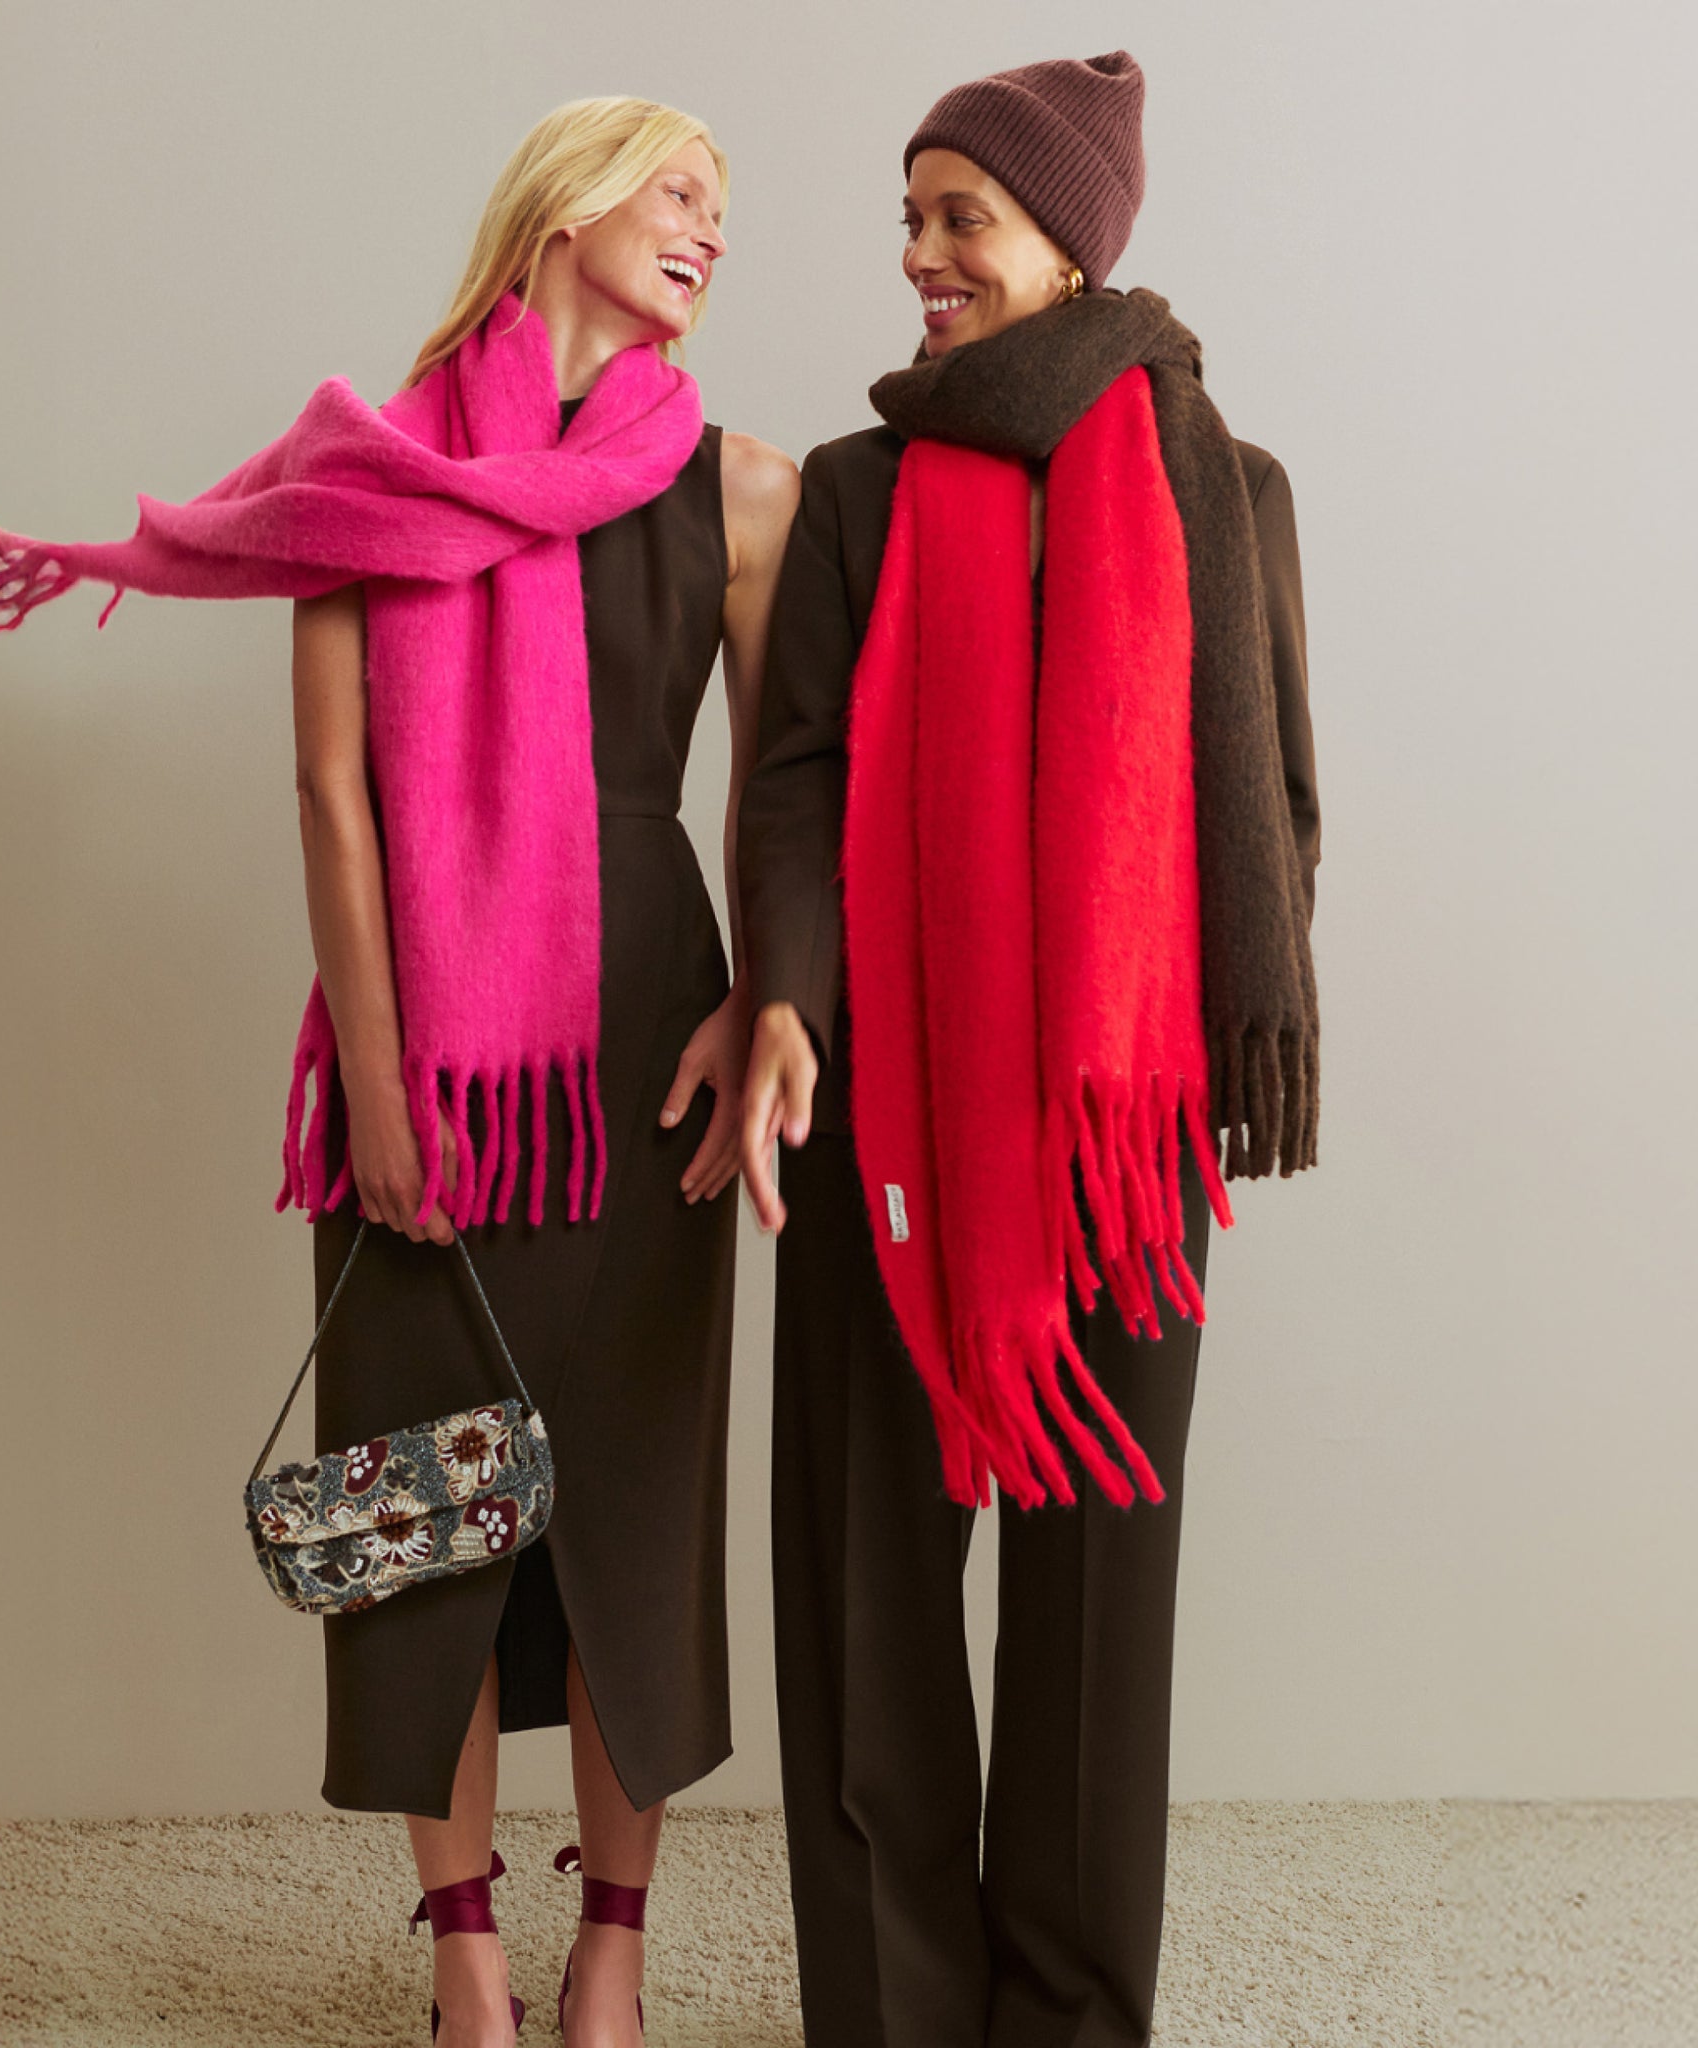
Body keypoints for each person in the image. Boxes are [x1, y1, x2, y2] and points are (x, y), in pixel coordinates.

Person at [0, 95, 797, 2048]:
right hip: (424, 1058)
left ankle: (613, 1949)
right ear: (567, 204)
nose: (709, 229)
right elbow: (333, 796)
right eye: (680, 189)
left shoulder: (743, 490)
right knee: (420, 1514)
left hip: (641, 1055)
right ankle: (463, 1953)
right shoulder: (372, 471)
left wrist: (755, 994)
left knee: (634, 1509)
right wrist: (392, 1092)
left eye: (722, 209)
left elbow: (772, 791)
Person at [737, 54, 1320, 2048]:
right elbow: (796, 781)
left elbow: (1277, 803)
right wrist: (790, 994)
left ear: (1068, 239)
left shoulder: (1226, 490)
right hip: (884, 1110)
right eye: (909, 217)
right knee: (867, 1590)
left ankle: (1068, 2017)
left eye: (958, 216)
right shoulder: (859, 491)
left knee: (1096, 1605)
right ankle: (894, 2014)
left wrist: (1161, 1023)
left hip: (1118, 1136)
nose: (918, 253)